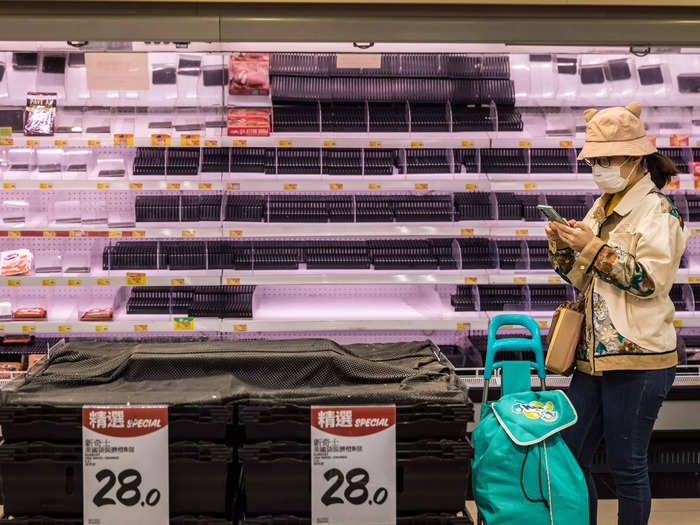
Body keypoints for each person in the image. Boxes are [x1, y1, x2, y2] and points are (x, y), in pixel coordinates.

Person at [545, 102, 689, 525]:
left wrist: (589, 246)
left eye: (605, 161)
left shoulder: (659, 212)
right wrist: (562, 244)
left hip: (640, 359)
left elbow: (648, 281)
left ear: (633, 159)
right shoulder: (603, 205)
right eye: (594, 161)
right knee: (570, 457)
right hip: (593, 360)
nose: (597, 169)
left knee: (628, 466)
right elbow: (583, 278)